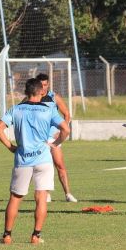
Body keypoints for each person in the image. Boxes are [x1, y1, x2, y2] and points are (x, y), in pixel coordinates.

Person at [0, 78, 69, 244]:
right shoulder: (48, 110)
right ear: (41, 92)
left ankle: (7, 235)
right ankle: (36, 235)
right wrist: (55, 144)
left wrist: (10, 147)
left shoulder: (16, 109)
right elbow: (66, 128)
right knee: (42, 197)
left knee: (15, 197)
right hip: (43, 158)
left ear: (26, 93)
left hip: (22, 158)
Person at [37, 73, 77, 203]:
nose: (43, 87)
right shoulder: (32, 98)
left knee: (60, 165)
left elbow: (66, 114)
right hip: (39, 139)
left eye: (45, 84)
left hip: (53, 138)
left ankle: (68, 193)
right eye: (41, 85)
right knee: (43, 166)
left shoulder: (54, 97)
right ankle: (46, 194)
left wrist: (61, 130)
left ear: (48, 84)